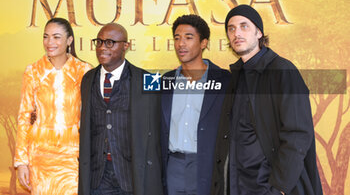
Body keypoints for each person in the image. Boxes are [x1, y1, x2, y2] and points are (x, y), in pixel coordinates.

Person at [211, 5, 323, 195]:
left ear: (259, 33)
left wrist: (280, 187)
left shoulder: (282, 71)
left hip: (268, 187)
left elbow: (298, 134)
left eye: (244, 26)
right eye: (231, 28)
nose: (236, 33)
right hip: (236, 185)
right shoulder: (236, 77)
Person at [78, 23, 163, 195]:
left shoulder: (148, 79)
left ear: (126, 46)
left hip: (132, 176)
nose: (102, 47)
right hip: (97, 178)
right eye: (99, 42)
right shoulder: (87, 79)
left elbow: (157, 130)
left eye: (110, 42)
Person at [14, 18, 92, 194]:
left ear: (69, 40)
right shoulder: (33, 72)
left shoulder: (84, 71)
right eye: (46, 37)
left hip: (73, 155)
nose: (50, 42)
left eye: (56, 37)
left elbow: (90, 117)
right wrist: (21, 162)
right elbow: (24, 116)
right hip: (40, 156)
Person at [161, 14, 231, 195]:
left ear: (203, 43)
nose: (181, 44)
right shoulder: (164, 81)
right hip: (172, 166)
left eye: (188, 38)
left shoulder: (226, 80)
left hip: (207, 165)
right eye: (177, 38)